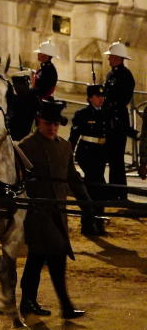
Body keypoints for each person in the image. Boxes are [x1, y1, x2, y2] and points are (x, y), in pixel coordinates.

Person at [18, 101, 89, 320]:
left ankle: (27, 301)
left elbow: (73, 178)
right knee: (57, 253)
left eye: (56, 124)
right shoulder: (26, 147)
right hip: (37, 213)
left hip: (58, 212)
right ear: (39, 121)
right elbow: (17, 182)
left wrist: (86, 203)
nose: (53, 128)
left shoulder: (64, 146)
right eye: (48, 124)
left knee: (37, 257)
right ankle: (65, 306)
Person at [69, 85, 112, 237]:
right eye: (97, 96)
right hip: (86, 153)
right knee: (98, 187)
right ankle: (92, 224)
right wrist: (69, 155)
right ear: (89, 98)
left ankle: (93, 224)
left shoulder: (106, 113)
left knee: (94, 188)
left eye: (102, 96)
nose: (101, 99)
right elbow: (74, 137)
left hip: (100, 154)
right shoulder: (82, 114)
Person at [102, 42, 135, 201]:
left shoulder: (126, 76)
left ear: (118, 58)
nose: (109, 60)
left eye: (111, 57)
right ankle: (113, 190)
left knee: (117, 158)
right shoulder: (110, 74)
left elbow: (123, 98)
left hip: (118, 119)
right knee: (111, 156)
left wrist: (111, 105)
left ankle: (120, 192)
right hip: (108, 119)